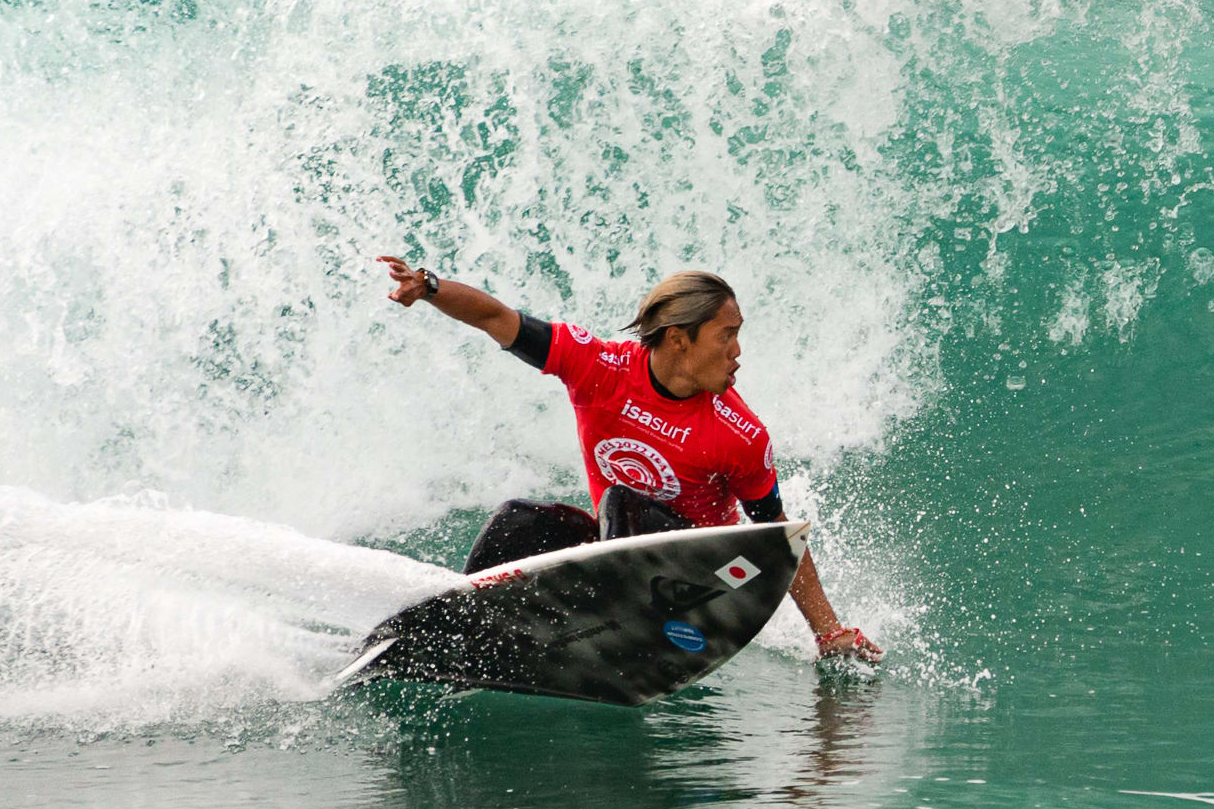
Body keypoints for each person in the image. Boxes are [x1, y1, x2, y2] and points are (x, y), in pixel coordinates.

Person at [375, 255, 880, 664]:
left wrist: (829, 631)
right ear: (680, 339)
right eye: (726, 335)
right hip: (620, 562)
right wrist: (431, 286)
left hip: (699, 589)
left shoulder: (738, 434)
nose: (737, 350)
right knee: (517, 520)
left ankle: (622, 632)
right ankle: (459, 637)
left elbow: (777, 536)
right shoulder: (599, 369)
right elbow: (497, 319)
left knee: (621, 502)